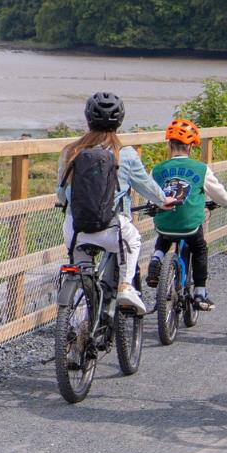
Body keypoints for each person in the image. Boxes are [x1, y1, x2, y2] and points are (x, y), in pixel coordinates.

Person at [55, 92, 165, 314]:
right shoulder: (125, 154)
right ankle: (125, 286)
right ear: (119, 121)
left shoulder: (71, 151)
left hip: (75, 230)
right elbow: (146, 186)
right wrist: (164, 200)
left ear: (88, 119)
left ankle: (78, 326)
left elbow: (61, 192)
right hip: (111, 230)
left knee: (81, 272)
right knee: (133, 242)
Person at [145, 118, 227, 311]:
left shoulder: (158, 169)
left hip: (165, 222)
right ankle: (200, 293)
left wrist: (151, 205)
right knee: (200, 247)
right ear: (191, 147)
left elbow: (150, 194)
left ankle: (157, 258)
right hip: (189, 226)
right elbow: (220, 195)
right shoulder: (201, 169)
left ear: (169, 145)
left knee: (165, 233)